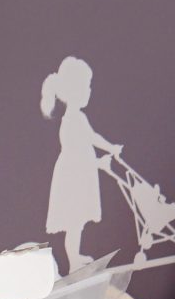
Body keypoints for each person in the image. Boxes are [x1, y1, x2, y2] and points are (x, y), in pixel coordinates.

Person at [41, 57, 125, 274]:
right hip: (74, 178)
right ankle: (73, 261)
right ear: (74, 90)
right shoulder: (74, 119)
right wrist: (104, 155)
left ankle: (75, 257)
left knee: (77, 224)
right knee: (74, 222)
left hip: (77, 172)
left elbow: (90, 141)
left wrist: (109, 149)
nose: (89, 91)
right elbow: (85, 145)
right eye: (86, 86)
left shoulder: (76, 117)